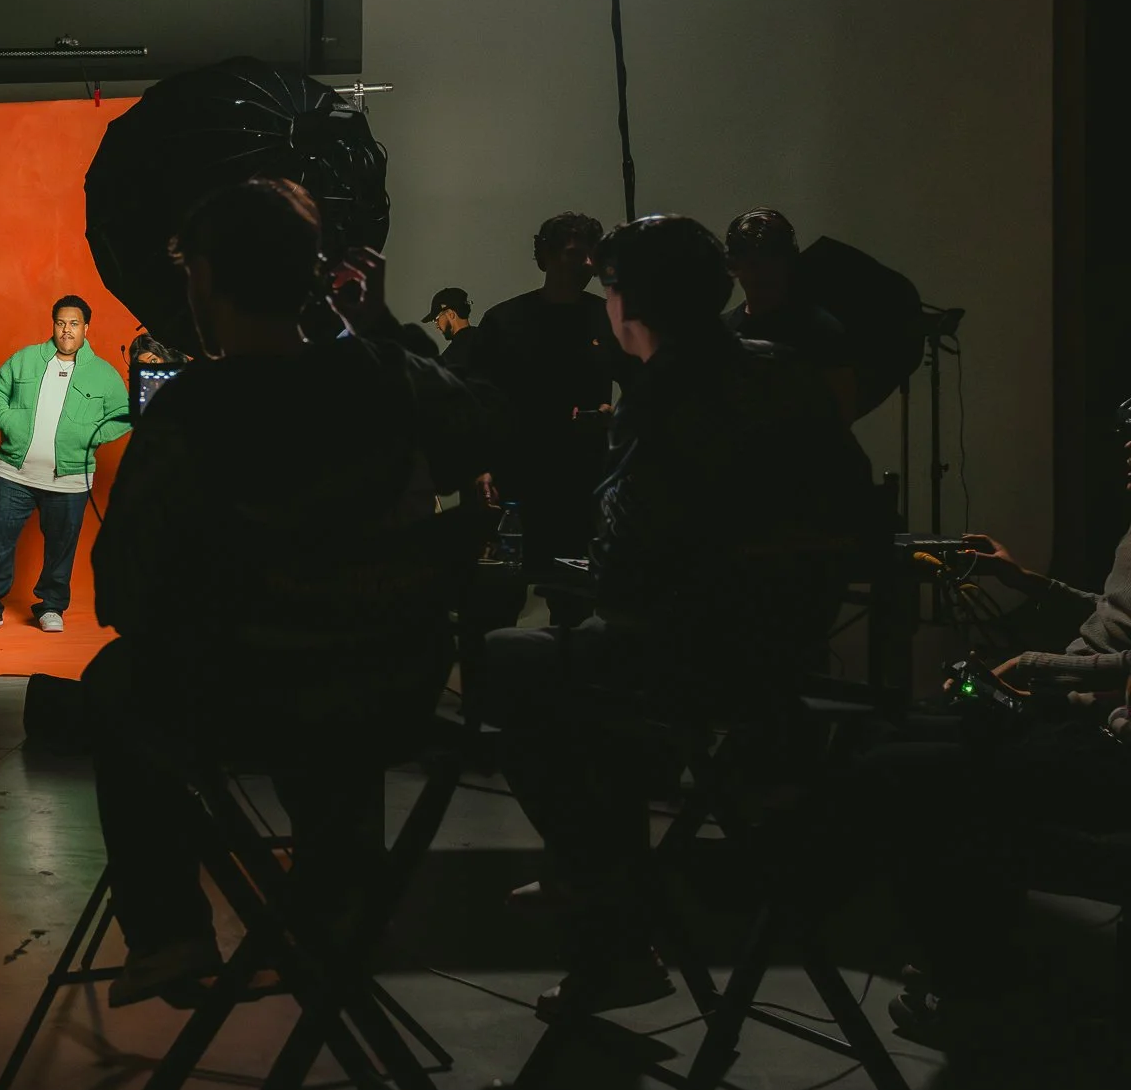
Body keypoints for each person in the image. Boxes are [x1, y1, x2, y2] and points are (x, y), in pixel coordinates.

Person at [84, 179, 505, 1005]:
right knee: (328, 691)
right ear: (311, 277)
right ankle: (331, 916)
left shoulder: (193, 411)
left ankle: (170, 934)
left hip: (255, 697)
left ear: (203, 278)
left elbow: (122, 595)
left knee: (117, 682)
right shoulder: (391, 379)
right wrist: (364, 331)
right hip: (394, 690)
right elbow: (484, 435)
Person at [485, 215, 870, 1014]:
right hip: (781, 654)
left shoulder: (661, 393)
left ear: (629, 304)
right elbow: (847, 505)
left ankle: (598, 890)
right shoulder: (788, 371)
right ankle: (611, 939)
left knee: (510, 658)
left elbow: (625, 573)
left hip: (691, 660)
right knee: (607, 728)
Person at [841, 516, 1131, 1046]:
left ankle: (975, 988)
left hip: (1109, 743)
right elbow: (1113, 615)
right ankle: (963, 957)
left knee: (891, 771)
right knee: (878, 729)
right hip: (1071, 708)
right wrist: (1024, 580)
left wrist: (1036, 670)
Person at [454, 214, 617, 584]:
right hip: (516, 482)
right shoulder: (504, 321)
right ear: (546, 256)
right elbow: (475, 403)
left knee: (574, 599)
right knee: (499, 594)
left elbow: (643, 386)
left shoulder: (607, 318)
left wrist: (612, 417)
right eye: (577, 255)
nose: (588, 265)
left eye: (592, 256)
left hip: (581, 482)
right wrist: (480, 469)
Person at [0, 296, 130, 636]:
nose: (67, 330)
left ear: (86, 328)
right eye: (61, 323)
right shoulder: (26, 360)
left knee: (61, 549)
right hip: (13, 474)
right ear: (54, 325)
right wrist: (10, 422)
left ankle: (51, 607)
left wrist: (89, 437)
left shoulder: (103, 374)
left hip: (69, 481)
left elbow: (124, 415)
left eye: (74, 323)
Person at [722, 208, 856, 421]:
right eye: (752, 263)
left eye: (769, 261)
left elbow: (840, 415)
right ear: (735, 266)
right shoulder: (721, 332)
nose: (760, 273)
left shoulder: (822, 331)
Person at [395, 287, 474, 361]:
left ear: (450, 314)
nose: (437, 326)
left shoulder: (452, 357)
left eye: (436, 319)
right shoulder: (483, 337)